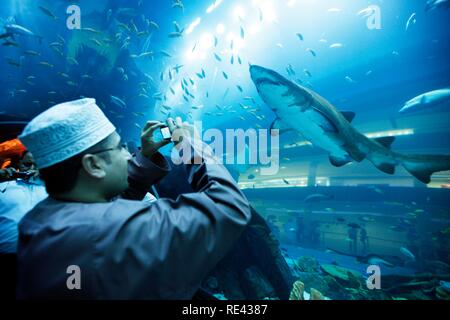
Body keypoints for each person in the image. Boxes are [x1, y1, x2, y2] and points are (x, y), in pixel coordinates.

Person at [16, 98, 251, 299]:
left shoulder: (43, 218)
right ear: (93, 165)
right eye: (119, 148)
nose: (129, 154)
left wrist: (145, 158)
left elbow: (108, 206)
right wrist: (190, 147)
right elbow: (229, 207)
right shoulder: (105, 230)